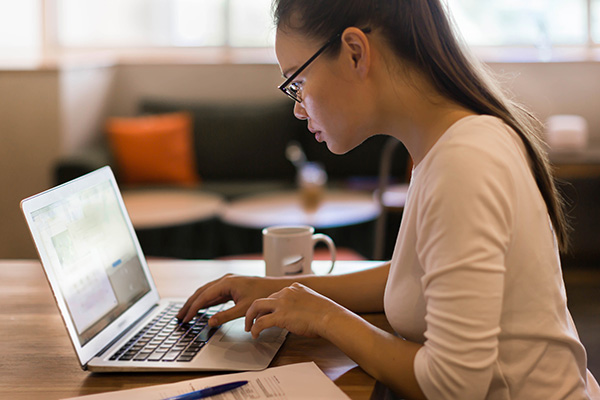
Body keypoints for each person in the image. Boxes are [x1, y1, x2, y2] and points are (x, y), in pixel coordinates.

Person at [178, 0, 600, 398]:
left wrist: (323, 317)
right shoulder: (443, 145)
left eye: (298, 82)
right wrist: (283, 290)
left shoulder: (464, 162)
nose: (298, 109)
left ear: (355, 52)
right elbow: (411, 278)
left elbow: (452, 386)